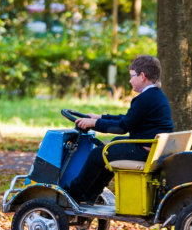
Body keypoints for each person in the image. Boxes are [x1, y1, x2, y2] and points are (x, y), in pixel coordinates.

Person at [72, 54, 174, 202]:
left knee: (97, 154)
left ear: (142, 76)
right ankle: (90, 194)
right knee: (112, 145)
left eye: (132, 76)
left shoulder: (144, 99)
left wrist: (93, 124)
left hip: (144, 151)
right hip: (151, 148)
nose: (129, 80)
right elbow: (128, 119)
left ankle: (74, 193)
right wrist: (100, 117)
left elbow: (122, 127)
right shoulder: (155, 96)